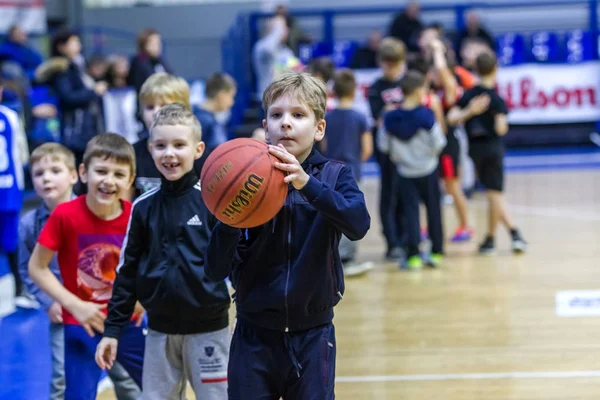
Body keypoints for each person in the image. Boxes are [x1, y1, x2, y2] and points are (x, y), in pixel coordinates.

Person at [206, 71, 371, 399]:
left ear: (319, 127)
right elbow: (214, 270)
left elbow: (358, 225)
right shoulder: (241, 181)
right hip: (254, 333)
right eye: (277, 115)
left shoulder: (335, 175)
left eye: (298, 115)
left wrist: (307, 185)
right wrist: (229, 217)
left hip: (313, 333)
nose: (286, 123)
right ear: (265, 127)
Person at [97, 104, 231, 400]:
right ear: (150, 150)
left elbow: (236, 262)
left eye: (179, 145)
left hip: (209, 328)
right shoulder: (143, 207)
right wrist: (112, 330)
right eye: (160, 146)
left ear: (198, 149)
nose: (169, 153)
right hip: (159, 330)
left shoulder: (213, 202)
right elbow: (127, 271)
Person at [19, 142, 141, 400]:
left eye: (119, 174)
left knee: (148, 388)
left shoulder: (136, 216)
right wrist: (73, 305)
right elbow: (34, 267)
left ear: (130, 179)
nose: (109, 181)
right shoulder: (63, 216)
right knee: (71, 390)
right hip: (79, 323)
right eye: (101, 171)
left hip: (125, 322)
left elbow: (152, 264)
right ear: (84, 173)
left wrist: (144, 299)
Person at [448, 52, 527, 255]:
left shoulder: (469, 95)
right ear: (495, 69)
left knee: (492, 193)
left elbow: (452, 117)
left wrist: (470, 112)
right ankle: (514, 233)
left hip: (475, 150)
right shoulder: (496, 99)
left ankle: (491, 239)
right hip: (493, 148)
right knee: (495, 194)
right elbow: (501, 128)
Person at [384, 71, 446, 269]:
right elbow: (439, 142)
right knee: (434, 209)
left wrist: (400, 156)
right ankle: (436, 251)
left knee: (410, 212)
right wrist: (428, 155)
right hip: (428, 169)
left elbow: (384, 146)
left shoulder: (391, 118)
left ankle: (413, 256)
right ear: (419, 91)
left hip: (405, 172)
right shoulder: (426, 115)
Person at [324, 69, 373, 276]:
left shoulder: (328, 117)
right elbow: (367, 149)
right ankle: (347, 258)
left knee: (332, 213)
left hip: (331, 171)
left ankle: (332, 256)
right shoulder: (360, 117)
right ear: (354, 92)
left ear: (333, 92)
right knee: (352, 213)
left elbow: (324, 146)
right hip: (352, 172)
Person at [367, 37, 406, 261]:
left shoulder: (408, 83)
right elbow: (379, 116)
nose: (391, 68)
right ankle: (392, 242)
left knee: (406, 194)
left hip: (408, 149)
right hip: (387, 150)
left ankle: (407, 236)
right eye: (387, 63)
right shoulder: (376, 88)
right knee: (389, 193)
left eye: (395, 63)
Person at [131, 72, 195, 198]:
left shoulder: (198, 156)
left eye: (164, 106)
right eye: (149, 107)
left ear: (184, 110)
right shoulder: (132, 153)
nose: (156, 112)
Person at [0, 74, 24, 325]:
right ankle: (19, 287)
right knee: (10, 241)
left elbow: (20, 154)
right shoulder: (10, 116)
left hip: (8, 191)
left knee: (11, 241)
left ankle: (19, 286)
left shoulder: (9, 116)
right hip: (9, 189)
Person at [193, 72, 237, 169]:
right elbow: (223, 157)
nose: (232, 102)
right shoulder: (211, 124)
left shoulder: (192, 112)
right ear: (221, 95)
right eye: (231, 96)